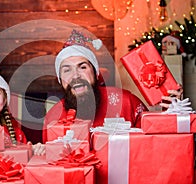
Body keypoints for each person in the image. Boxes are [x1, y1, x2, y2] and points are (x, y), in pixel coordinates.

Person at [42, 30, 183, 143]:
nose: (76, 76)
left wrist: (171, 111)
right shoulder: (53, 117)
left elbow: (154, 141)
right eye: (67, 70)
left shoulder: (126, 101)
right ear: (61, 80)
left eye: (82, 67)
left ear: (96, 73)